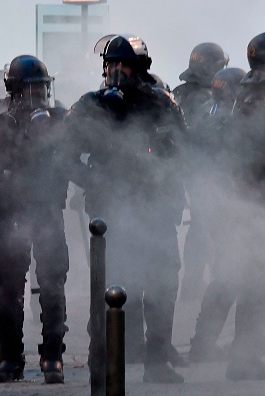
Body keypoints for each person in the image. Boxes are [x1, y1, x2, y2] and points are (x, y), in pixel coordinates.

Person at [64, 34, 186, 383]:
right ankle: (110, 358)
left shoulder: (162, 103)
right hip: (110, 210)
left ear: (139, 69)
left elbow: (183, 153)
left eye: (124, 65)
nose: (116, 72)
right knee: (113, 283)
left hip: (155, 207)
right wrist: (92, 178)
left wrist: (159, 173)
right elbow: (61, 153)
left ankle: (157, 361)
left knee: (162, 282)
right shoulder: (90, 105)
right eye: (111, 65)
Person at [0, 55, 70, 384]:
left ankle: (52, 357)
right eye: (31, 91)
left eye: (41, 90)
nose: (37, 98)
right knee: (8, 292)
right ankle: (10, 359)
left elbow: (82, 156)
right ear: (15, 91)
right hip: (13, 217)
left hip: (48, 211)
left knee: (52, 287)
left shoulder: (59, 123)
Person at [185, 67, 246, 363]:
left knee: (225, 277)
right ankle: (204, 346)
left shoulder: (208, 114)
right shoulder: (228, 120)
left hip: (214, 205)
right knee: (231, 277)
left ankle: (202, 345)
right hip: (229, 206)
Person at [221, 32, 265, 380]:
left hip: (245, 195)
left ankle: (244, 357)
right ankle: (244, 358)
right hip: (256, 196)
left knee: (251, 281)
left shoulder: (244, 92)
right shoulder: (256, 94)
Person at [173, 42, 229, 302]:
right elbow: (206, 134)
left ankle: (192, 285)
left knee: (199, 225)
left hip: (187, 168)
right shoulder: (206, 99)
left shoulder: (179, 92)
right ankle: (202, 285)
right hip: (205, 169)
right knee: (209, 227)